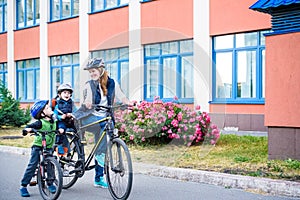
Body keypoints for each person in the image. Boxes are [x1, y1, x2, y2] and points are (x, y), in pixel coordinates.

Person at [78, 57, 130, 188]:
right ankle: (99, 159)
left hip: (105, 117)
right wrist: (88, 103)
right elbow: (86, 98)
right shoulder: (89, 84)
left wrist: (129, 103)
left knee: (106, 139)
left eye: (93, 71)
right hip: (90, 117)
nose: (92, 74)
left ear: (101, 70)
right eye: (90, 72)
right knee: (104, 129)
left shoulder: (112, 83)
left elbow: (121, 96)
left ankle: (98, 177)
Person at [20, 100, 57, 197]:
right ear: (43, 113)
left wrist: (62, 129)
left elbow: (60, 125)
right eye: (47, 108)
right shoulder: (40, 123)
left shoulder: (54, 121)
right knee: (33, 164)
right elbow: (30, 126)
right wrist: (26, 130)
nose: (50, 108)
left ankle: (50, 183)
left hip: (48, 146)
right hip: (38, 146)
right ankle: (23, 186)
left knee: (50, 164)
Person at [53, 83, 77, 155]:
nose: (67, 94)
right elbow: (54, 115)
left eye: (69, 93)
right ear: (60, 94)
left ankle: (77, 145)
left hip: (70, 121)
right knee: (61, 130)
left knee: (78, 129)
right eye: (65, 92)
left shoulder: (71, 103)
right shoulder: (57, 103)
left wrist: (72, 115)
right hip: (61, 122)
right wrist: (61, 117)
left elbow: (76, 111)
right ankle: (59, 145)